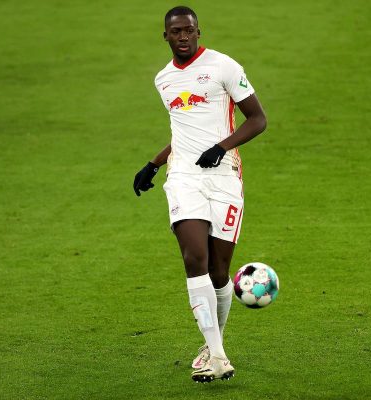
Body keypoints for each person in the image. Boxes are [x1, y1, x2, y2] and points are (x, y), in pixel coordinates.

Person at [133, 6, 267, 383]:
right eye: (176, 31)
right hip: (184, 177)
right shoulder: (163, 80)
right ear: (166, 37)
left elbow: (258, 120)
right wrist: (156, 163)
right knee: (195, 258)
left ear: (198, 31)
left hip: (224, 177)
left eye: (189, 30)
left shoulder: (224, 66)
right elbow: (182, 132)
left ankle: (213, 346)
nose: (183, 36)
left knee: (219, 272)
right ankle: (220, 357)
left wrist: (223, 147)